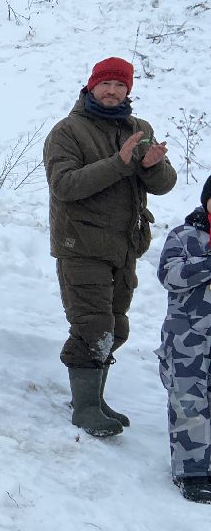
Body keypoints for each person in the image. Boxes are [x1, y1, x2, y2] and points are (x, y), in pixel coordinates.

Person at [44, 57, 177, 438]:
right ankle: (84, 408)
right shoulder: (68, 131)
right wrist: (120, 162)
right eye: (106, 84)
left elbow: (163, 184)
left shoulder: (139, 128)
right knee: (93, 326)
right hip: (81, 244)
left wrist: (153, 166)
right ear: (91, 86)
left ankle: (94, 400)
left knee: (116, 326)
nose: (113, 91)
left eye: (121, 85)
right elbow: (65, 185)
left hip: (124, 246)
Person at [155, 174, 211, 503]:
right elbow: (170, 274)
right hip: (186, 341)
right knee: (189, 403)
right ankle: (192, 472)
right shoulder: (183, 236)